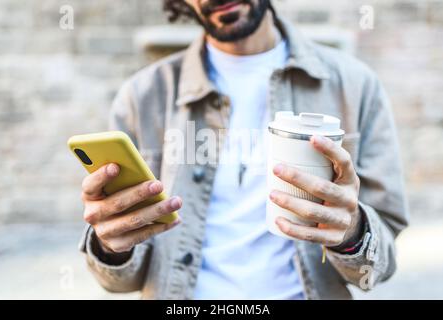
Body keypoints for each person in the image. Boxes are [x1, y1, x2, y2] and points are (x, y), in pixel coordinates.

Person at [78, 0, 408, 299]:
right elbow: (120, 282)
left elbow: (380, 265)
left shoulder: (354, 84)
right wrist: (110, 247)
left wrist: (352, 231)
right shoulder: (142, 96)